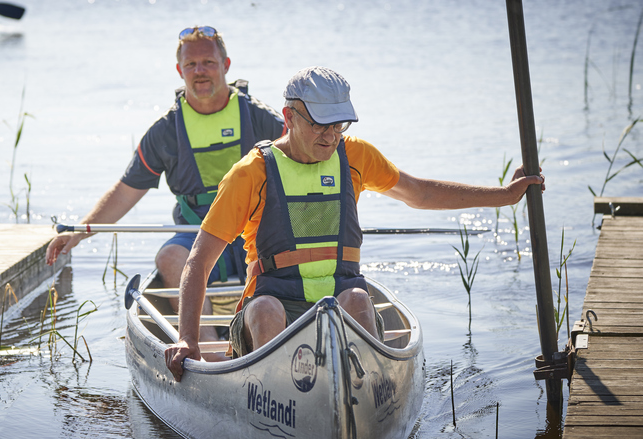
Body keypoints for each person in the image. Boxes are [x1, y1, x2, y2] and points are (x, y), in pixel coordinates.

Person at [164, 66, 545, 381]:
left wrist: (505, 195)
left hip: (342, 297)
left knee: (360, 299)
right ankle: (271, 394)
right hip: (274, 302)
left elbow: (420, 193)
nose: (330, 136)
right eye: (319, 125)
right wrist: (188, 341)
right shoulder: (252, 172)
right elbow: (199, 260)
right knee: (265, 310)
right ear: (289, 117)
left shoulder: (356, 155)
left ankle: (367, 391)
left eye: (338, 125)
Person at [44, 26, 285, 343]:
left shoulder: (261, 119)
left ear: (226, 65)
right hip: (195, 235)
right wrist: (78, 232)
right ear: (179, 70)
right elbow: (126, 190)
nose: (199, 72)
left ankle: (271, 345)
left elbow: (307, 162)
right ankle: (208, 353)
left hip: (253, 233)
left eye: (208, 63)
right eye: (191, 65)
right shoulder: (165, 131)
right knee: (169, 258)